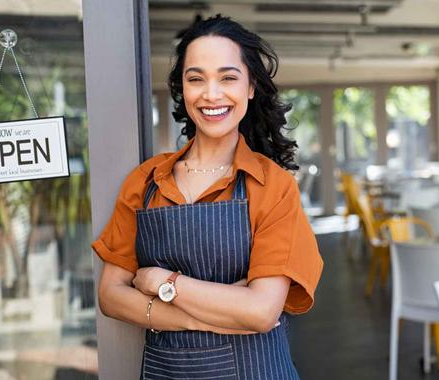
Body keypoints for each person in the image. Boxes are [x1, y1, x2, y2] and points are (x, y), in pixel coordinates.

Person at [92, 15, 323, 379]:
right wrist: (216, 315)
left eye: (228, 77)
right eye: (196, 78)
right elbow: (111, 296)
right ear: (182, 89)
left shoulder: (272, 186)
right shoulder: (145, 181)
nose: (211, 94)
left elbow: (262, 312)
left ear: (250, 88)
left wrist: (162, 284)